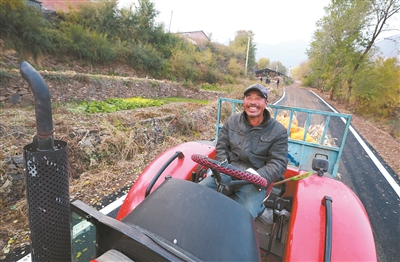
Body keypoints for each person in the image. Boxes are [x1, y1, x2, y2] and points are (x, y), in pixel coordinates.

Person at [200, 83, 288, 218]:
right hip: (226, 173)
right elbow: (222, 146)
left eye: (258, 98)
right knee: (196, 197)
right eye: (249, 97)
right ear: (244, 101)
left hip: (253, 182)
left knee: (243, 218)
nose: (253, 102)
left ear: (266, 103)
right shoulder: (232, 121)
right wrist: (223, 167)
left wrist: (258, 175)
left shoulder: (278, 131)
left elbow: (279, 162)